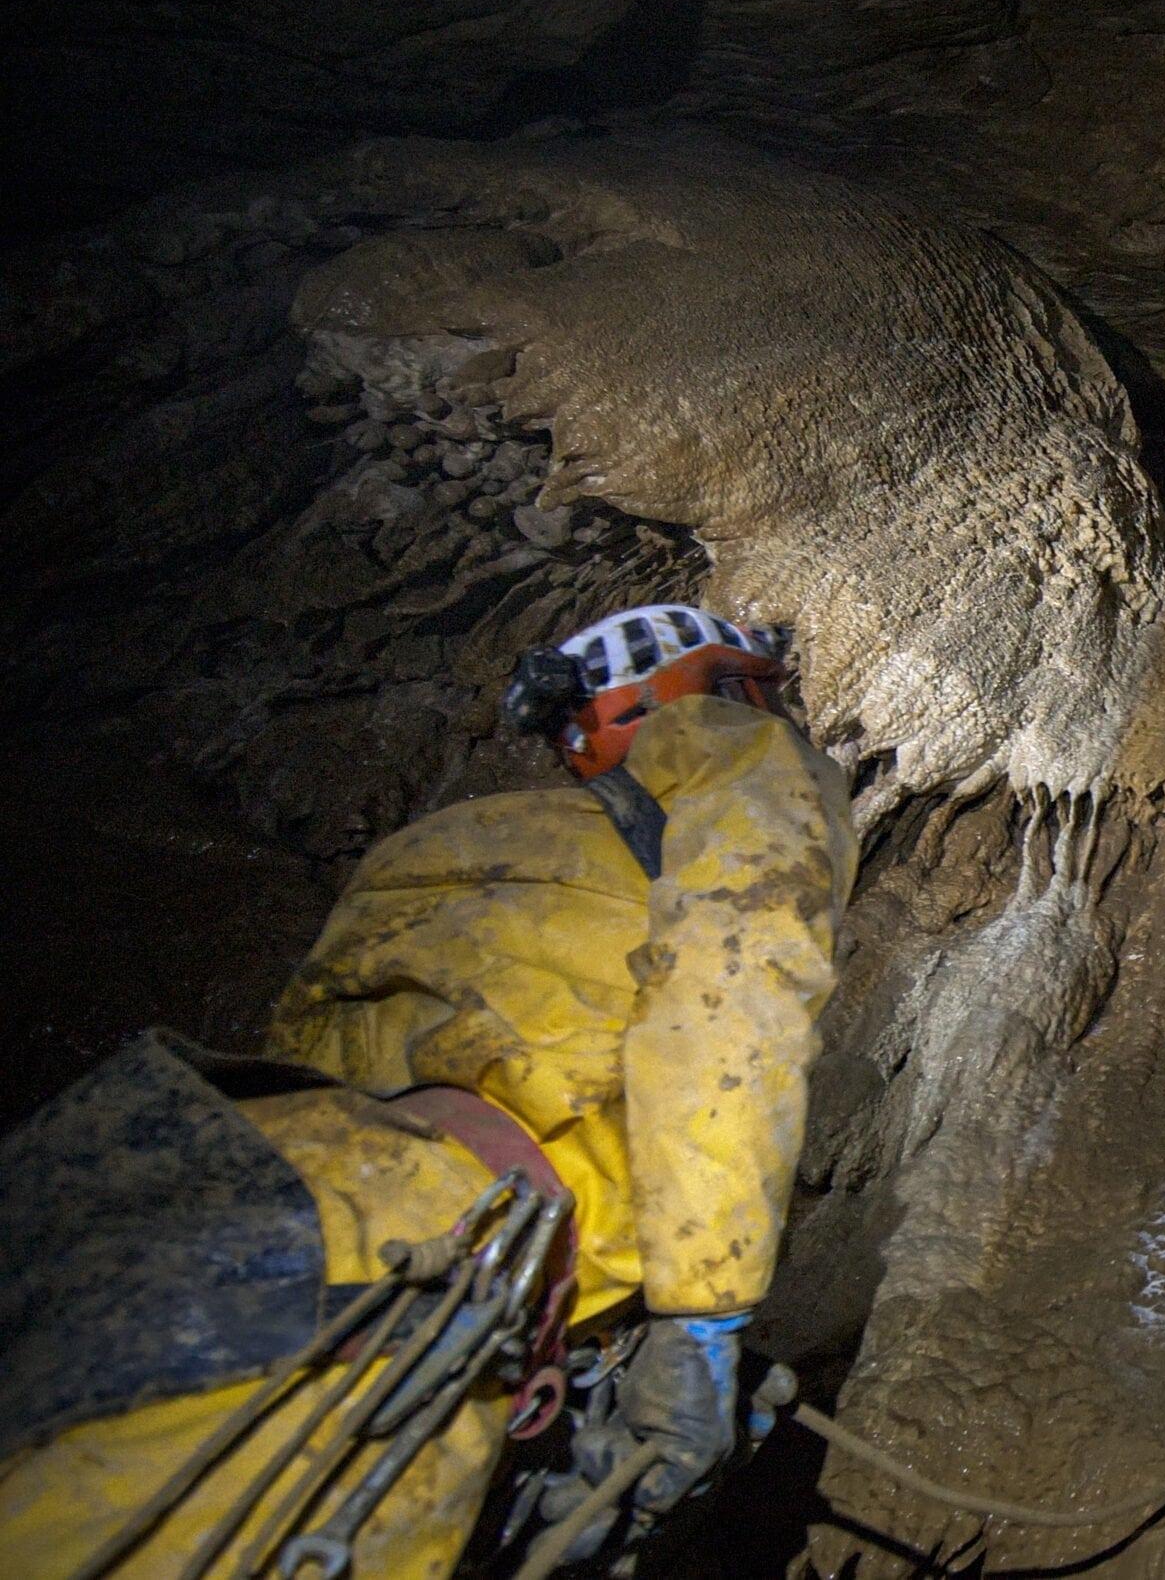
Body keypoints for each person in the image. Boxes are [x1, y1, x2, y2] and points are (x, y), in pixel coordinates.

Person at [0, 603, 854, 1577]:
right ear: (725, 689)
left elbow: (316, 1027)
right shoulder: (740, 767)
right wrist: (706, 1311)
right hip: (451, 1258)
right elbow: (736, 988)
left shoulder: (445, 839)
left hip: (214, 1171)